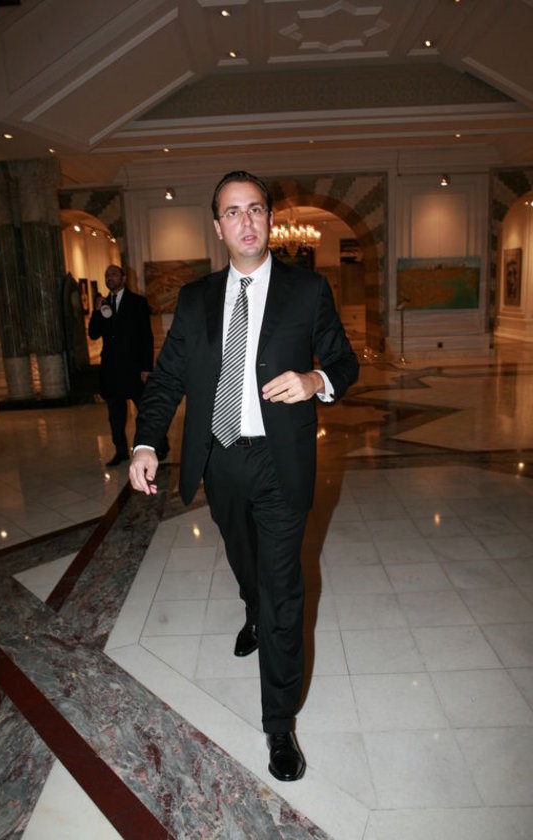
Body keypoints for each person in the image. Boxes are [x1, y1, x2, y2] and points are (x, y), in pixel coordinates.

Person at [129, 171, 359, 782]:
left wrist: (315, 380)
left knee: (284, 587)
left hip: (282, 461)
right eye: (233, 212)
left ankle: (279, 724)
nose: (246, 221)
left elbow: (344, 360)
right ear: (218, 226)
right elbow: (168, 378)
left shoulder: (307, 290)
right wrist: (146, 442)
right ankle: (251, 608)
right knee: (244, 558)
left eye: (255, 209)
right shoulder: (196, 299)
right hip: (221, 458)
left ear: (271, 220)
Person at [88, 263, 168, 467]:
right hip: (111, 370)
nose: (110, 277)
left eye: (114, 274)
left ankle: (160, 446)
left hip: (134, 369)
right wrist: (96, 311)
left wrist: (147, 368)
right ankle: (121, 451)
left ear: (123, 278)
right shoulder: (103, 303)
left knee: (146, 410)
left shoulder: (137, 302)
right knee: (115, 415)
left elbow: (146, 337)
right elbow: (94, 334)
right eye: (107, 274)